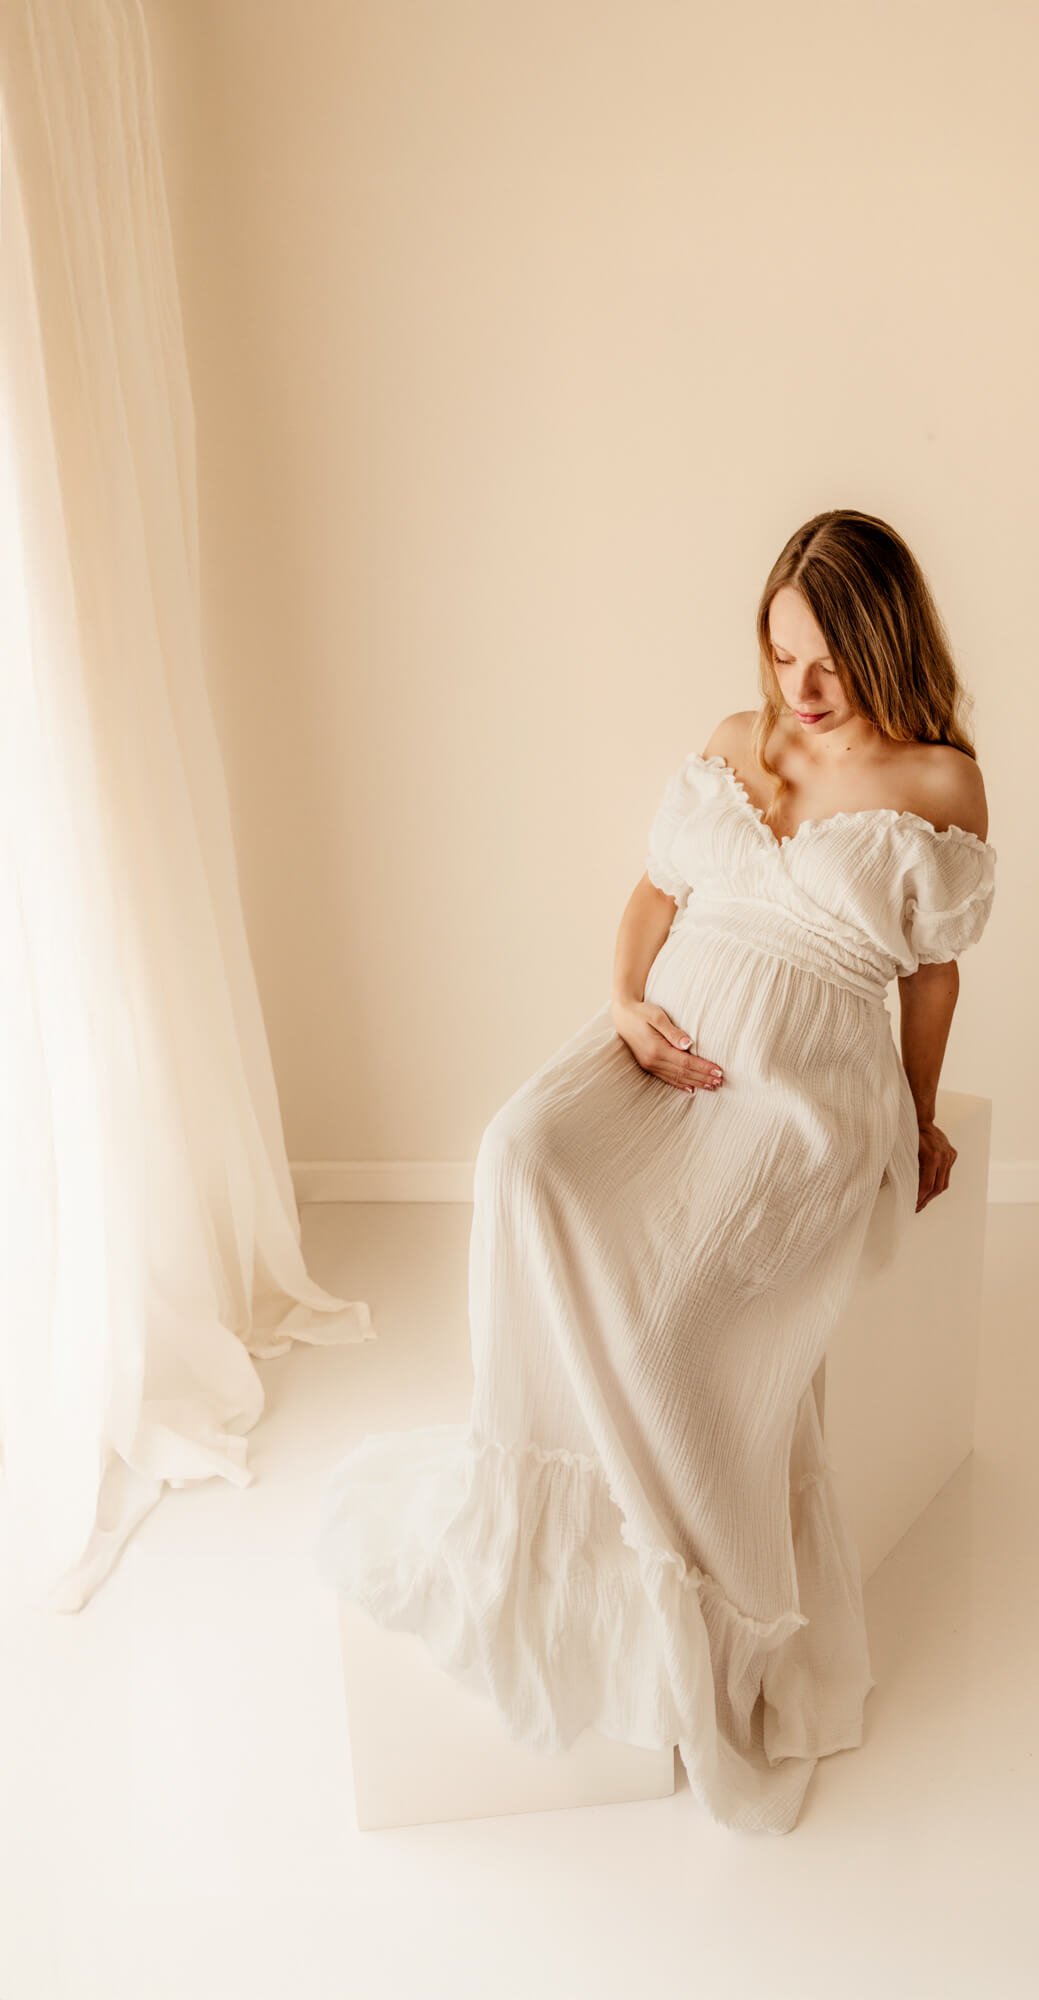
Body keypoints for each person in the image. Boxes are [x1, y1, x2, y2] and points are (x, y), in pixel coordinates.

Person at [316, 507, 998, 1836]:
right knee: (517, 1154)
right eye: (778, 652)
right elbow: (651, 894)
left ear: (884, 645)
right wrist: (623, 1002)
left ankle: (690, 1598)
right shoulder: (733, 742)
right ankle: (537, 1516)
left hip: (802, 1090)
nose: (796, 690)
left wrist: (915, 1119)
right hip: (664, 1036)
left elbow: (930, 975)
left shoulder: (935, 784)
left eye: (827, 664)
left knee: (674, 1321)